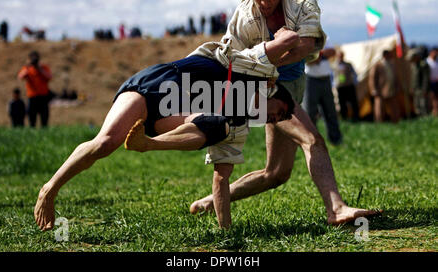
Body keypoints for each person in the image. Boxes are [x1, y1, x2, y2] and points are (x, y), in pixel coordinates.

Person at [189, 0, 380, 225]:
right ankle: (335, 209)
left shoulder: (303, 2)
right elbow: (232, 64)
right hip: (262, 89)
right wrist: (266, 62)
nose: (265, 2)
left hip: (290, 85)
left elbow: (306, 46)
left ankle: (211, 201)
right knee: (312, 140)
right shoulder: (243, 19)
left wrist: (264, 57)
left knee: (276, 173)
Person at [34, 53, 296, 231]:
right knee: (105, 142)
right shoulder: (246, 73)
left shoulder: (237, 123)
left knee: (217, 126)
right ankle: (50, 189)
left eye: (278, 119)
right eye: (282, 111)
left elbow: (222, 178)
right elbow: (271, 44)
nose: (276, 119)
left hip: (171, 116)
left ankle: (148, 143)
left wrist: (225, 231)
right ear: (270, 90)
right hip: (158, 83)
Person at [303, 49, 343, 145]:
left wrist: (316, 54)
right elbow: (307, 59)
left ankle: (336, 140)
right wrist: (322, 54)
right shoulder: (304, 35)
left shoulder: (325, 38)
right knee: (309, 112)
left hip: (325, 78)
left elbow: (333, 52)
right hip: (310, 79)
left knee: (330, 111)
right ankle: (310, 141)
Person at [17, 51, 53, 127]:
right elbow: (20, 76)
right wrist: (28, 66)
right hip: (32, 96)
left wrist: (39, 69)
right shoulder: (27, 68)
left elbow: (49, 77)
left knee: (44, 116)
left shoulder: (43, 67)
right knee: (31, 116)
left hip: (43, 96)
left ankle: (44, 130)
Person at [368, 49, 400, 123]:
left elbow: (396, 76)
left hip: (391, 88)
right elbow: (372, 78)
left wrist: (397, 86)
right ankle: (379, 122)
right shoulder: (377, 65)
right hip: (380, 90)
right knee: (379, 108)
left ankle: (395, 121)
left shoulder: (392, 64)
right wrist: (373, 89)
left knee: (394, 107)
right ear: (385, 55)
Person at [334, 51, 360, 121]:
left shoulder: (348, 64)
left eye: (341, 56)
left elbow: (354, 73)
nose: (340, 57)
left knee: (353, 102)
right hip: (340, 87)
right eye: (339, 56)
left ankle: (356, 117)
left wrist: (355, 82)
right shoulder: (334, 65)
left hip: (349, 85)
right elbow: (332, 76)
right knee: (342, 103)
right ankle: (344, 118)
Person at [407, 48, 430, 117]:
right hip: (415, 89)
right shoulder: (413, 65)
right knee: (417, 106)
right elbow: (413, 78)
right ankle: (419, 119)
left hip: (421, 89)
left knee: (423, 105)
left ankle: (426, 119)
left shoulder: (423, 65)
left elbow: (425, 79)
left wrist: (424, 89)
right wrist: (411, 88)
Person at [426, 48, 438, 116]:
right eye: (434, 52)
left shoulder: (437, 61)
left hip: (436, 82)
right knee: (432, 97)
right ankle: (433, 111)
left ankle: (435, 110)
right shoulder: (427, 62)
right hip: (431, 82)